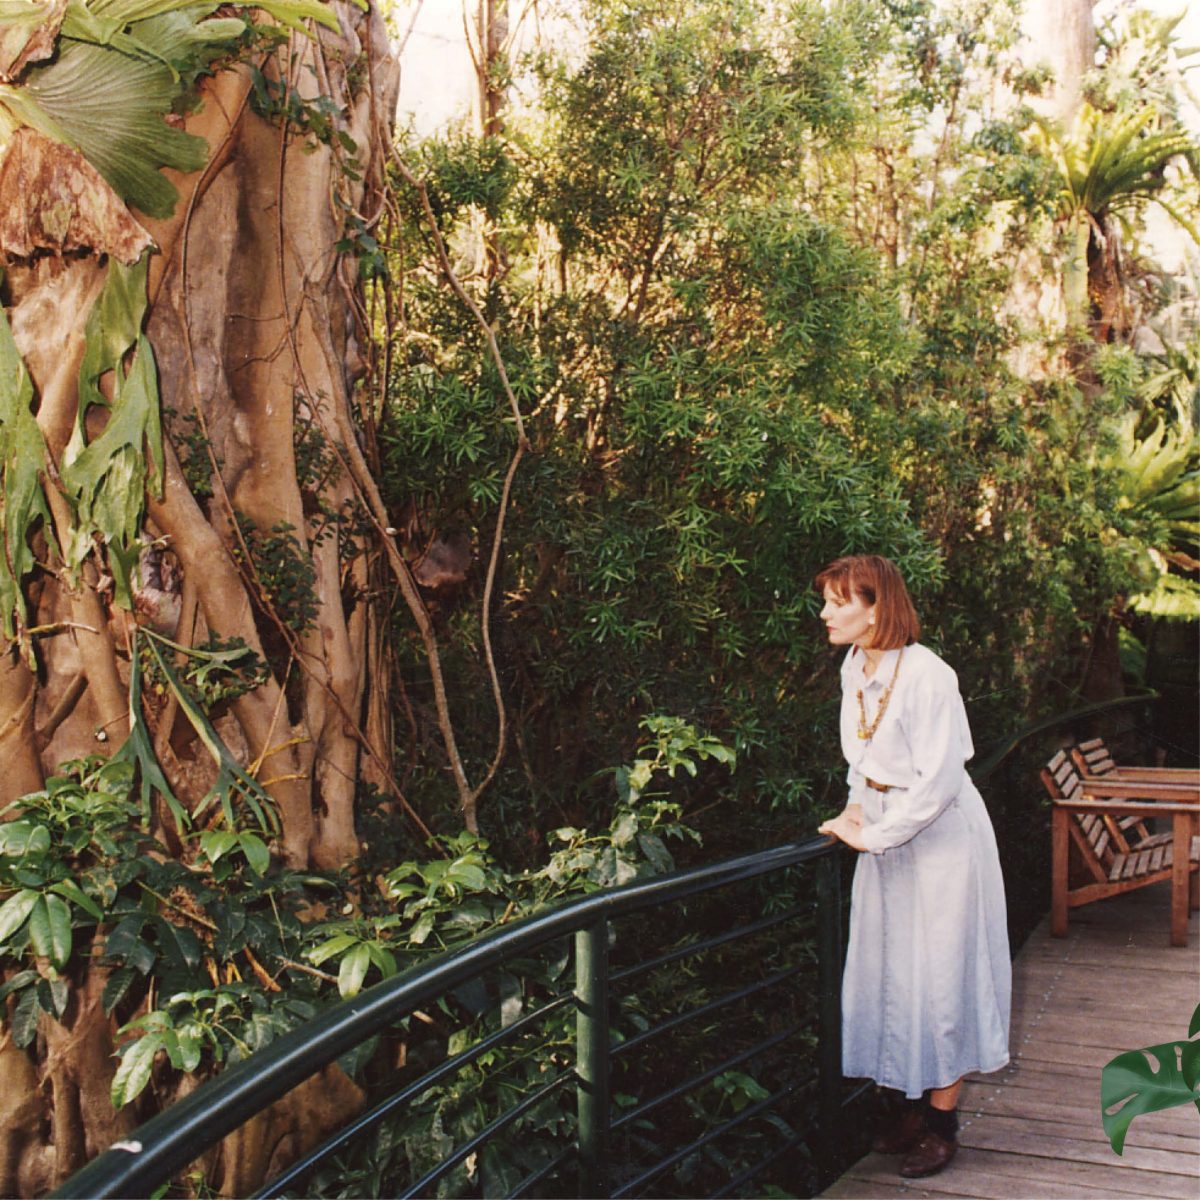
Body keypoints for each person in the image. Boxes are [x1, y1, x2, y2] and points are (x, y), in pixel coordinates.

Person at [814, 554, 1010, 1179]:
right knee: (891, 970)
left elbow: (940, 782)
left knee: (943, 973)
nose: (825, 614)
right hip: (884, 832)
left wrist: (876, 838)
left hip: (940, 841)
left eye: (838, 602)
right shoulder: (855, 665)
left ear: (877, 608)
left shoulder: (929, 675)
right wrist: (852, 810)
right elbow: (862, 756)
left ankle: (942, 1122)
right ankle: (905, 1107)